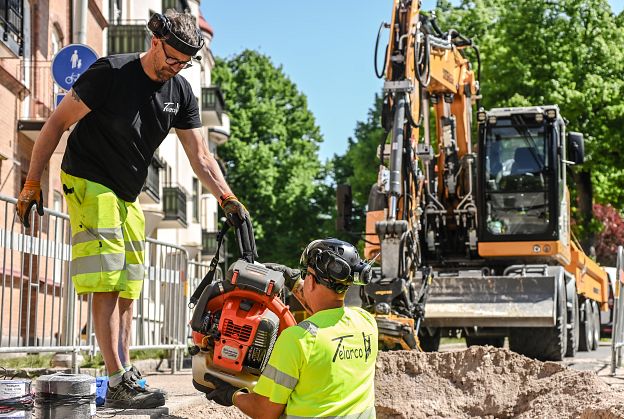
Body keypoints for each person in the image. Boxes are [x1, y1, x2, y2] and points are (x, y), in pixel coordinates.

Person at [15, 11, 249, 409]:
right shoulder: (110, 73)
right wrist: (33, 180)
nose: (176, 68)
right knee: (106, 276)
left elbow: (201, 156)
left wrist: (227, 197)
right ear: (155, 42)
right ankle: (114, 375)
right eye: (173, 58)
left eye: (185, 63)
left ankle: (125, 372)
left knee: (129, 283)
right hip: (89, 179)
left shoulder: (181, 93)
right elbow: (55, 125)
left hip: (126, 193)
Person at [205, 238, 378, 419]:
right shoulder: (366, 323)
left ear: (310, 281)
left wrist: (231, 394)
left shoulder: (297, 339)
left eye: (306, 275)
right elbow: (325, 312)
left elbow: (264, 411)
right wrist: (295, 281)